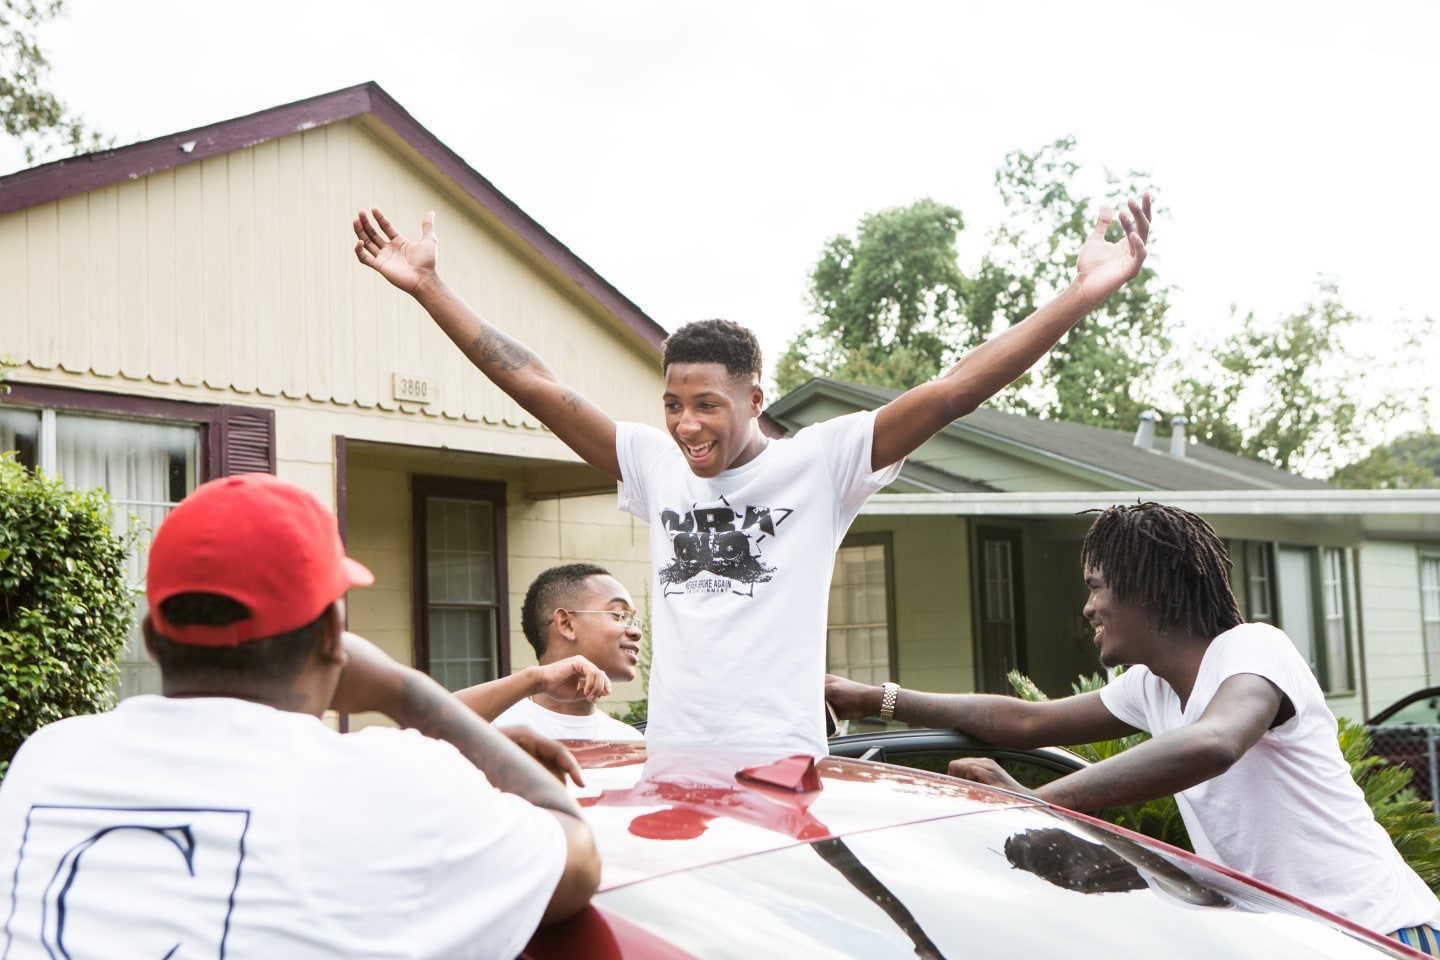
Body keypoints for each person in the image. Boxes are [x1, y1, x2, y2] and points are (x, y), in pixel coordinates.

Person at [353, 194, 1151, 757]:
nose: (686, 425)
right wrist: (430, 288)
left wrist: (1074, 298)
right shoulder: (656, 464)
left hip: (779, 754)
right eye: (672, 404)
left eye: (707, 405)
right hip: (670, 756)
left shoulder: (822, 464)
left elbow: (950, 390)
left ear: (754, 399)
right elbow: (538, 384)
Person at [0, 473, 600, 959]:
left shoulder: (46, 760)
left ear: (154, 638)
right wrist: (402, 688)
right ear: (334, 641)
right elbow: (575, 855)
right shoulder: (397, 784)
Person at [824, 501, 1440, 947]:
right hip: (1299, 940)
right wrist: (871, 697)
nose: (1088, 606)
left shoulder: (1253, 650)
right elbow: (1024, 720)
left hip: (1381, 931)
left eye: (1097, 586)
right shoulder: (1151, 688)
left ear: (1149, 588)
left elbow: (1215, 742)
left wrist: (1029, 807)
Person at [488, 563, 645, 741]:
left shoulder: (631, 741)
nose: (636, 632)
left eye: (633, 619)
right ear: (566, 624)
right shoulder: (489, 730)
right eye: (619, 615)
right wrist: (534, 679)